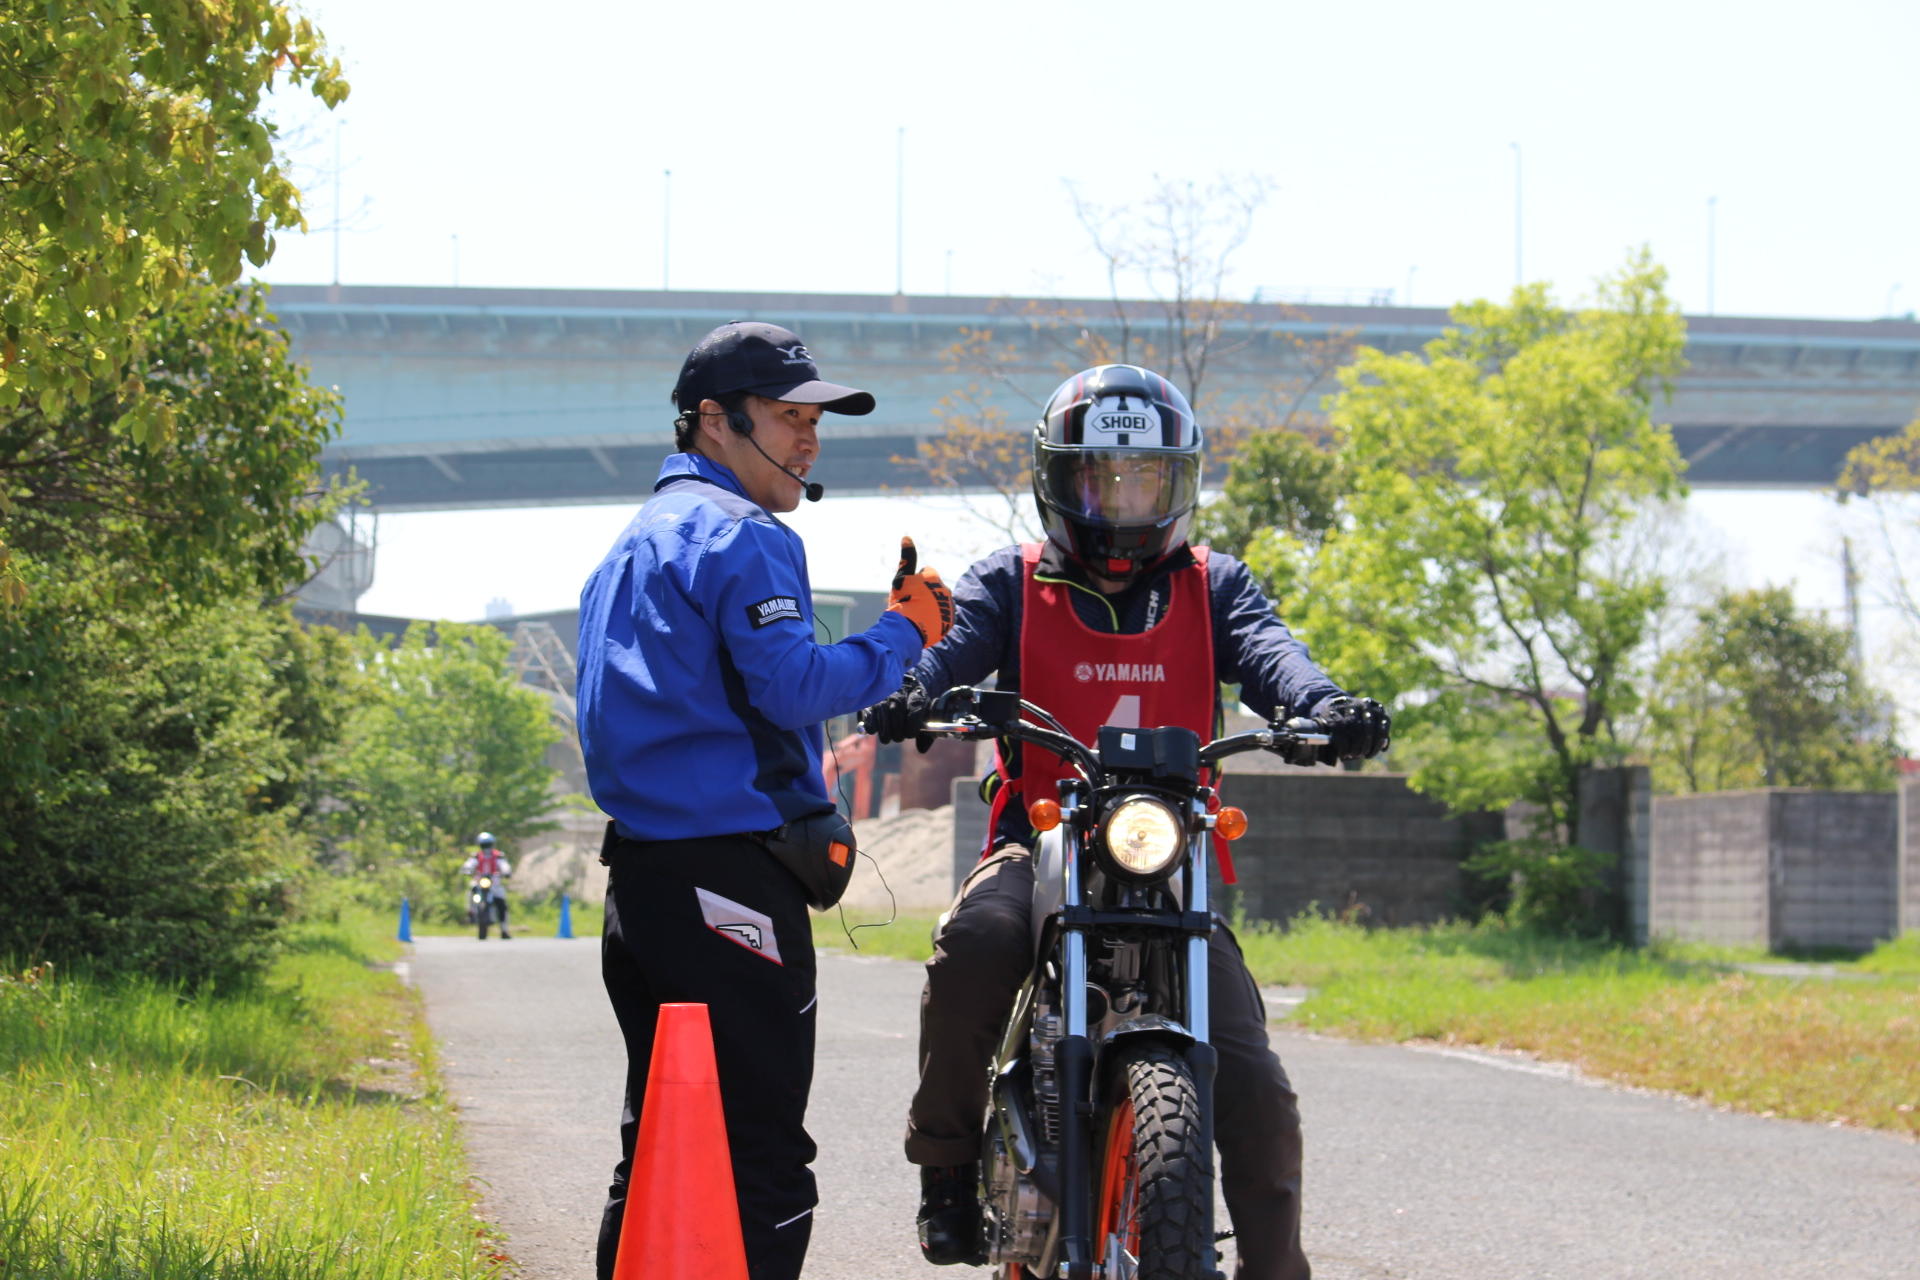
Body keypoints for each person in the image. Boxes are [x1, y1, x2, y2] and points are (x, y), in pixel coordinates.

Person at [861, 364, 1390, 1280]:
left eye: (1144, 479)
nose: (1122, 499)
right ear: (1060, 482)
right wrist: (912, 692)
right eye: (1101, 477)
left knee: (1255, 1082)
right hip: (1040, 838)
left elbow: (1273, 654)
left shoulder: (1213, 583)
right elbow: (952, 650)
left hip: (1168, 854)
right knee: (975, 946)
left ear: (1176, 483)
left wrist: (1326, 705)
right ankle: (945, 1175)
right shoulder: (1013, 583)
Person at [575, 320, 954, 1280]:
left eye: (815, 420)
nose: (809, 440)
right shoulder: (746, 537)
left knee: (660, 1144)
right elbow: (791, 689)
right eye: (788, 418)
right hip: (731, 883)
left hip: (643, 886)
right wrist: (905, 634)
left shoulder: (626, 548)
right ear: (713, 420)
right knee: (763, 1162)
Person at [458, 831, 512, 939]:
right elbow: (469, 864)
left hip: (494, 883)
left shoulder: (498, 856)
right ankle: (471, 910)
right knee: (471, 891)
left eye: (488, 844)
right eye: (484, 845)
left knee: (502, 903)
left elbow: (504, 866)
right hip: (479, 881)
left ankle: (504, 929)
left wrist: (506, 872)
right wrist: (466, 869)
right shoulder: (477, 856)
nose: (486, 847)